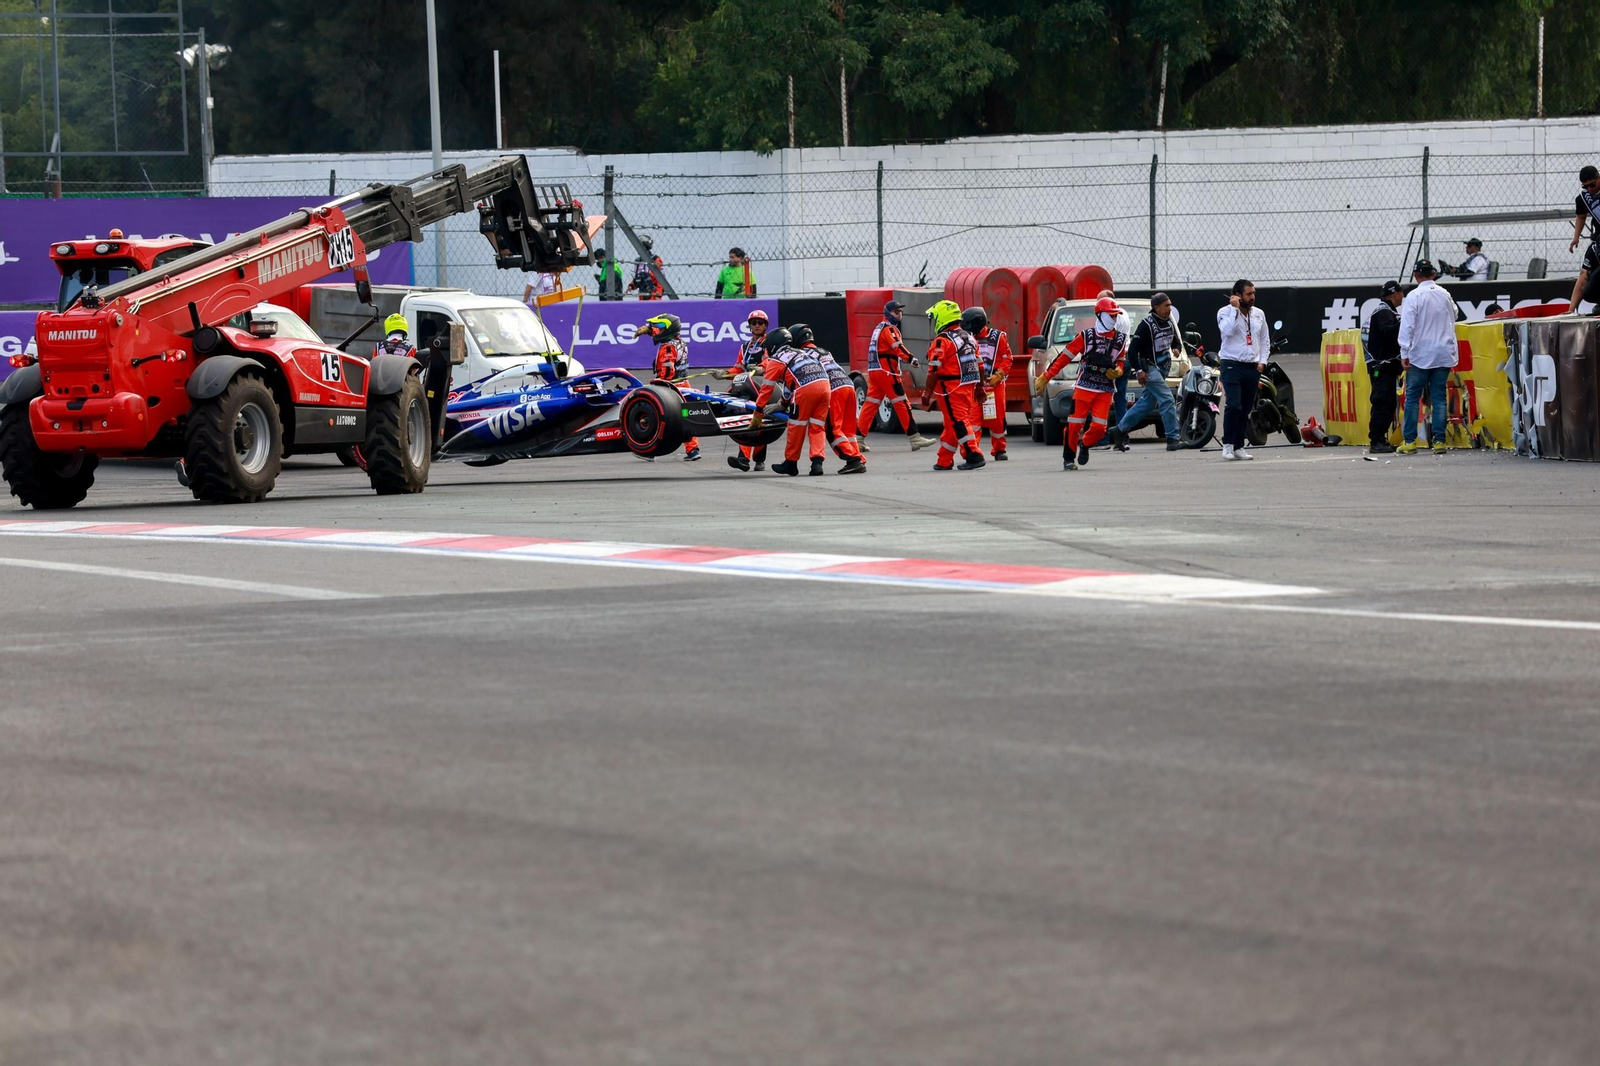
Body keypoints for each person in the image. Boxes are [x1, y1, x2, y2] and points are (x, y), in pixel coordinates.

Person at [1032, 296, 1126, 471]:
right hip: (1084, 386)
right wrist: (1046, 377)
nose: (1115, 319)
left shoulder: (1120, 339)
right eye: (1111, 315)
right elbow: (1064, 357)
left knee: (1099, 428)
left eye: (1116, 316)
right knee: (1074, 424)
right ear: (1100, 315)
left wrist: (1119, 371)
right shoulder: (1086, 336)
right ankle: (1068, 458)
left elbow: (1121, 361)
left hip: (1105, 388)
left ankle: (1085, 444)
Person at [1396, 260, 1458, 455]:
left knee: (1413, 398)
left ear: (1416, 276)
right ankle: (1439, 442)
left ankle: (1410, 441)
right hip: (1443, 352)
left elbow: (1407, 326)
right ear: (1433, 274)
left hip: (1420, 354)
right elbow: (1454, 314)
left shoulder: (1414, 296)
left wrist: (1404, 352)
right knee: (1439, 397)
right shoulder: (1444, 294)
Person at [751, 326, 831, 476]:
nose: (767, 351)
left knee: (796, 426)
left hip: (805, 389)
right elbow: (791, 382)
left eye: (767, 348)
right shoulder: (801, 352)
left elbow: (766, 390)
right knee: (817, 427)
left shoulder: (776, 360)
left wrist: (758, 412)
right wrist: (783, 403)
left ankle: (791, 463)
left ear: (774, 345)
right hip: (825, 386)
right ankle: (817, 463)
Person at [1108, 292, 1182, 452]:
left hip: (1163, 368)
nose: (1169, 308)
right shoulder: (1146, 325)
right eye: (1166, 305)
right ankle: (1172, 438)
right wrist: (1139, 370)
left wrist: (1176, 348)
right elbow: (1133, 350)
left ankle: (1119, 430)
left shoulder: (1169, 321)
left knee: (1147, 404)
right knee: (1167, 399)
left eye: (1170, 305)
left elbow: (1176, 339)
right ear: (1156, 307)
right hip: (1150, 369)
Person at [857, 300, 935, 451]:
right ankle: (915, 438)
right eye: (896, 312)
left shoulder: (878, 328)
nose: (899, 315)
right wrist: (911, 358)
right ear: (888, 313)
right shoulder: (890, 329)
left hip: (875, 372)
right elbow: (898, 347)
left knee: (871, 404)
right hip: (888, 373)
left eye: (900, 312)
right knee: (902, 403)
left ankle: (859, 439)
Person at [920, 299, 986, 471]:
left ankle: (974, 454)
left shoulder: (942, 341)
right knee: (952, 424)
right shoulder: (969, 337)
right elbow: (980, 365)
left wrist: (927, 392)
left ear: (942, 318)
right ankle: (944, 459)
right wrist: (980, 387)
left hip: (951, 388)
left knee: (958, 421)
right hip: (967, 386)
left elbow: (934, 369)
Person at [795, 323, 866, 475]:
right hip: (848, 384)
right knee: (848, 430)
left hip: (834, 389)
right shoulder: (823, 350)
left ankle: (853, 460)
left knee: (833, 429)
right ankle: (859, 457)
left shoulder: (803, 354)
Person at [1215, 279, 1270, 461]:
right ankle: (1228, 445)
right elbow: (1227, 331)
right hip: (1231, 364)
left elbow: (1264, 339)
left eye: (1254, 293)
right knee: (1234, 404)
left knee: (1246, 407)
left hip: (1252, 366)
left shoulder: (1259, 314)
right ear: (1238, 295)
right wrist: (1235, 309)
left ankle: (1239, 445)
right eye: (1248, 294)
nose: (1252, 297)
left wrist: (1262, 361)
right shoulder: (1224, 312)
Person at [641, 313, 700, 461]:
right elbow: (663, 333)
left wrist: (657, 384)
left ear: (669, 329)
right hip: (683, 385)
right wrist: (648, 330)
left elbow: (667, 371)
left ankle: (651, 451)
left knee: (657, 417)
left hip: (670, 387)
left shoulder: (668, 347)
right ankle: (693, 450)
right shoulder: (679, 341)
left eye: (660, 327)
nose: (657, 330)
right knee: (686, 418)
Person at [963, 307, 1014, 460]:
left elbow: (1008, 358)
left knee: (997, 420)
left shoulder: (999, 337)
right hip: (974, 384)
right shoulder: (966, 338)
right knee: (974, 420)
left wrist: (999, 374)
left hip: (994, 384)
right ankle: (973, 451)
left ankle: (999, 449)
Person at [725, 309, 771, 472]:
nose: (757, 326)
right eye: (754, 323)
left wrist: (760, 369)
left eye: (760, 323)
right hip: (746, 389)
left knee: (762, 423)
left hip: (765, 388)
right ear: (749, 326)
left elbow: (770, 364)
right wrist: (723, 375)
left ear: (766, 325)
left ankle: (759, 459)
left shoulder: (770, 343)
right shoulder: (744, 347)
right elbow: (738, 368)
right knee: (746, 420)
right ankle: (743, 459)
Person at [1365, 280, 1404, 454]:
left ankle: (1380, 439)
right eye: (1402, 293)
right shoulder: (1383, 312)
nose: (1403, 296)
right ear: (1395, 294)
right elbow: (1388, 333)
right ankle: (1377, 441)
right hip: (1381, 367)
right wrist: (1405, 323)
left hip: (1385, 366)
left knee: (1387, 403)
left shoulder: (1386, 311)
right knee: (1383, 403)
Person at [1096, 288, 1133, 433]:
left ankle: (1102, 438)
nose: (1098, 304)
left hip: (1111, 359)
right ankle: (1122, 436)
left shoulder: (1109, 316)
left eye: (1101, 300)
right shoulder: (1123, 313)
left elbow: (1107, 339)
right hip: (1125, 357)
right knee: (1120, 399)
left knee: (1103, 399)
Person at [1569, 166, 1600, 314]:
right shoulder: (1583, 199)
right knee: (1589, 291)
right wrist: (1570, 310)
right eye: (1585, 186)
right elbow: (1583, 278)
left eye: (1592, 185)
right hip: (1598, 239)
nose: (1589, 189)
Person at [628, 236, 665, 301]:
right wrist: (631, 286)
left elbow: (661, 279)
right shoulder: (638, 261)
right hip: (642, 293)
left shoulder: (655, 260)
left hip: (653, 293)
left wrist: (658, 294)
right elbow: (638, 277)